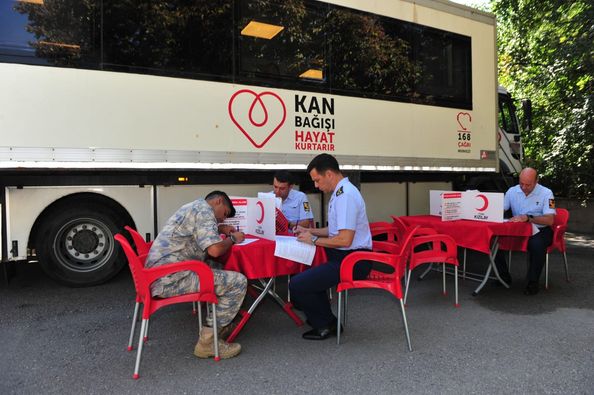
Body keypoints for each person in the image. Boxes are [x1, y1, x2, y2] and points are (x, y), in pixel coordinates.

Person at [145, 191, 247, 358]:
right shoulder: (205, 211)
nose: (222, 219)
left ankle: (219, 321)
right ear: (218, 201)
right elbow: (214, 250)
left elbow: (196, 232)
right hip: (171, 279)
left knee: (219, 267)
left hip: (158, 274)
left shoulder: (194, 206)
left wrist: (220, 228)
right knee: (238, 282)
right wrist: (233, 239)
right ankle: (208, 342)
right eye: (225, 214)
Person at [290, 154, 372, 340]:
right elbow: (334, 230)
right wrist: (310, 231)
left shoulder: (346, 196)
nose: (317, 186)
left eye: (317, 180)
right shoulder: (340, 192)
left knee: (297, 284)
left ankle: (325, 325)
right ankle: (323, 318)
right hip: (345, 255)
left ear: (328, 174)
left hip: (353, 260)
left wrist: (312, 240)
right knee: (307, 274)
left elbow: (344, 239)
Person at [495, 167, 556, 295]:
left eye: (528, 184)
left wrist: (528, 218)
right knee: (493, 240)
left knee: (537, 245)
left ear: (536, 181)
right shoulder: (512, 191)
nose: (524, 187)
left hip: (540, 229)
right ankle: (502, 276)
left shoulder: (547, 193)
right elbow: (500, 209)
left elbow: (550, 220)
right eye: (521, 183)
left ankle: (533, 282)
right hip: (518, 230)